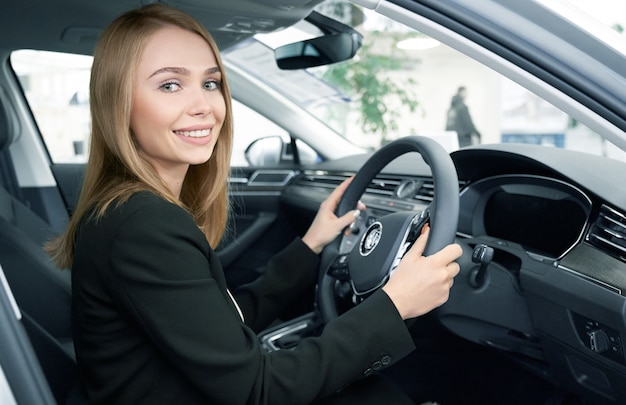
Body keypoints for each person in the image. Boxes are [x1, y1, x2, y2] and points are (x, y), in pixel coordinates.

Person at [46, 4, 462, 404]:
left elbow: (223, 321)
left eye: (210, 83)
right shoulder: (143, 224)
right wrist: (396, 304)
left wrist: (311, 244)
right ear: (118, 103)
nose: (204, 106)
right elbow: (256, 392)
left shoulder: (126, 209)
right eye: (170, 84)